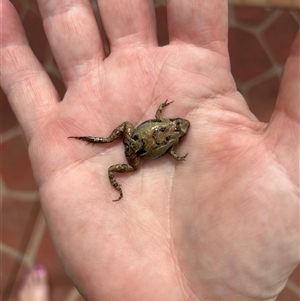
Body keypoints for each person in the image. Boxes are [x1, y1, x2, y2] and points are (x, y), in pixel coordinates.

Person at [1, 0, 299, 300]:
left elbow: (159, 122)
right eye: (180, 125)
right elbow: (162, 129)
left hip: (137, 146)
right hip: (138, 151)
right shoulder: (170, 136)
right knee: (117, 151)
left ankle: (104, 149)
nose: (181, 127)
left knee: (120, 141)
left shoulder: (168, 134)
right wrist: (171, 148)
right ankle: (102, 145)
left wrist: (167, 135)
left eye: (180, 128)